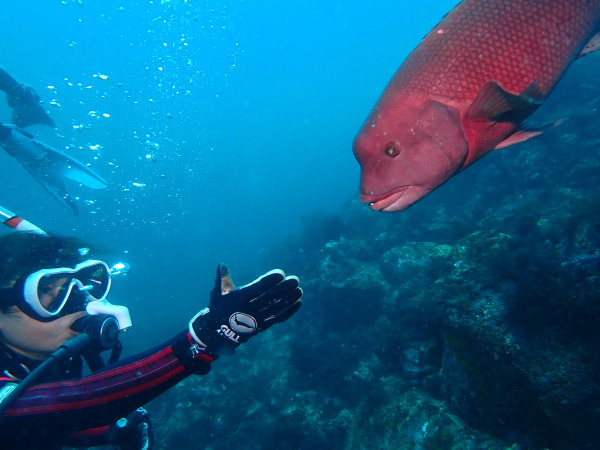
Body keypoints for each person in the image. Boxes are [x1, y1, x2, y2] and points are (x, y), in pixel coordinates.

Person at [0, 231, 303, 449]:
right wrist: (200, 341)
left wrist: (110, 430)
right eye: (47, 292)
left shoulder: (57, 361)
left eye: (81, 286)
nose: (78, 303)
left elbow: (46, 425)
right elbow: (61, 403)